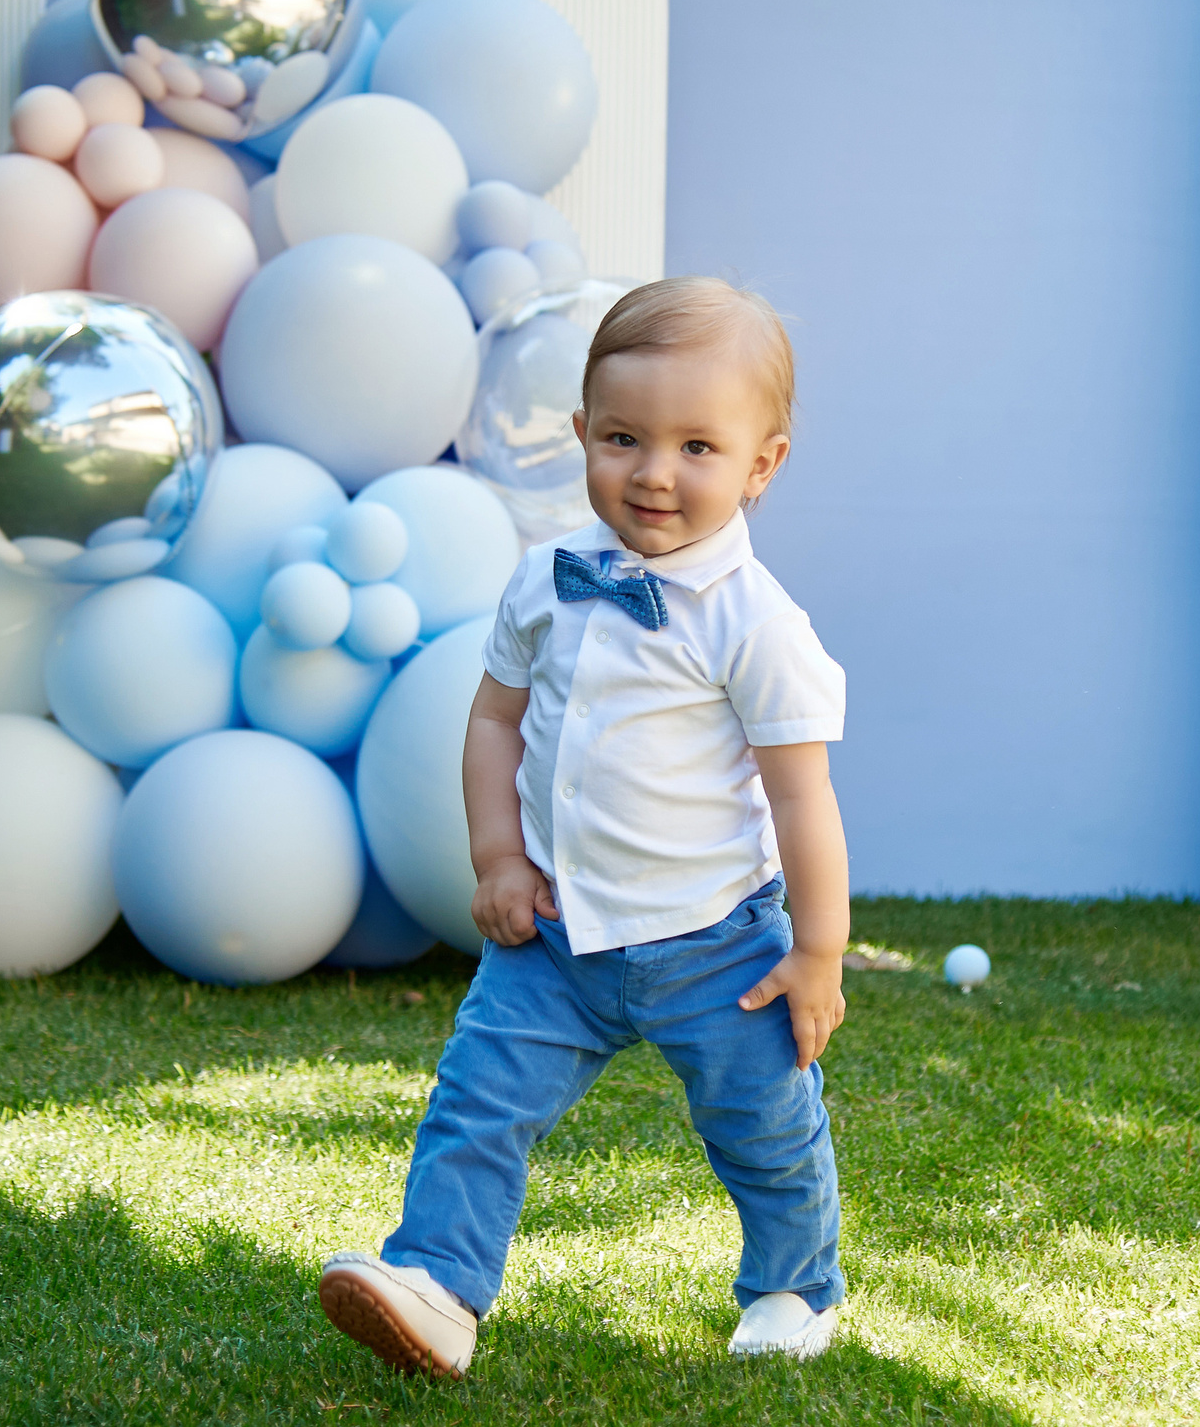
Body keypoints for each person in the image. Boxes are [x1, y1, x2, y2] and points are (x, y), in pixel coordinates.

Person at [317, 275, 852, 1375]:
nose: (655, 471)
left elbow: (800, 795)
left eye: (698, 446)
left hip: (718, 943)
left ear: (763, 464)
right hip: (556, 933)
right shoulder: (542, 580)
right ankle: (437, 1284)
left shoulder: (758, 625)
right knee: (476, 1102)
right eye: (624, 436)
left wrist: (816, 950)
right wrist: (498, 856)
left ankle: (796, 1287)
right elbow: (492, 721)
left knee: (761, 1125)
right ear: (581, 435)